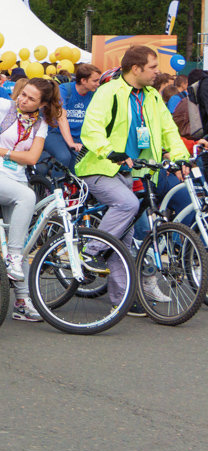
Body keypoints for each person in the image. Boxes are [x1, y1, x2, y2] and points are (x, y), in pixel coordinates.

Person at [76, 45, 190, 315]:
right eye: (153, 67)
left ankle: (122, 298)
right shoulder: (109, 91)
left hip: (134, 171)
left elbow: (168, 129)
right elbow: (91, 129)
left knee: (124, 238)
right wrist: (110, 152)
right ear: (135, 68)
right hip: (100, 166)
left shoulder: (151, 95)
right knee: (127, 205)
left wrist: (180, 156)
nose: (158, 72)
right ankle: (90, 251)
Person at [0, 77, 61, 322]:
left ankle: (22, 301)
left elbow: (31, 158)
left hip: (16, 181)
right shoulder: (5, 106)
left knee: (21, 241)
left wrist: (0, 150)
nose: (23, 99)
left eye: (30, 98)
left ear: (42, 105)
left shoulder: (40, 125)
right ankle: (13, 259)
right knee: (26, 203)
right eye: (23, 94)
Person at [45, 63, 101, 169]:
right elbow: (61, 117)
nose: (98, 84)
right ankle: (56, 185)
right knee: (64, 157)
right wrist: (71, 143)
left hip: (79, 136)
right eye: (95, 81)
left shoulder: (94, 93)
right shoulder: (64, 90)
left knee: (82, 166)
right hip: (57, 133)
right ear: (83, 81)